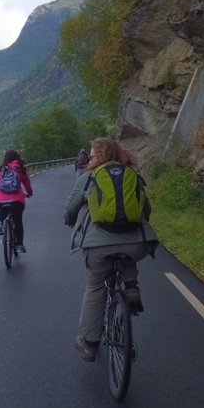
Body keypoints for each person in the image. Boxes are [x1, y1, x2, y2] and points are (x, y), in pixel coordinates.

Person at [63, 138, 158, 362]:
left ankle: (90, 343)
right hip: (136, 245)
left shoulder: (88, 179)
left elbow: (70, 210)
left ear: (101, 157)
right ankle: (131, 287)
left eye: (93, 156)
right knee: (126, 252)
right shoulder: (133, 176)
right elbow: (147, 209)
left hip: (98, 247)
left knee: (96, 287)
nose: (89, 159)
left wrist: (71, 221)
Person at [0, 150, 33, 253]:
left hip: (0, 199)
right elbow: (27, 185)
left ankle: (0, 223)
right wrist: (29, 193)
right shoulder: (20, 170)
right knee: (18, 221)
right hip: (16, 200)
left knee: (3, 208)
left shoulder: (0, 170)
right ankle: (19, 245)